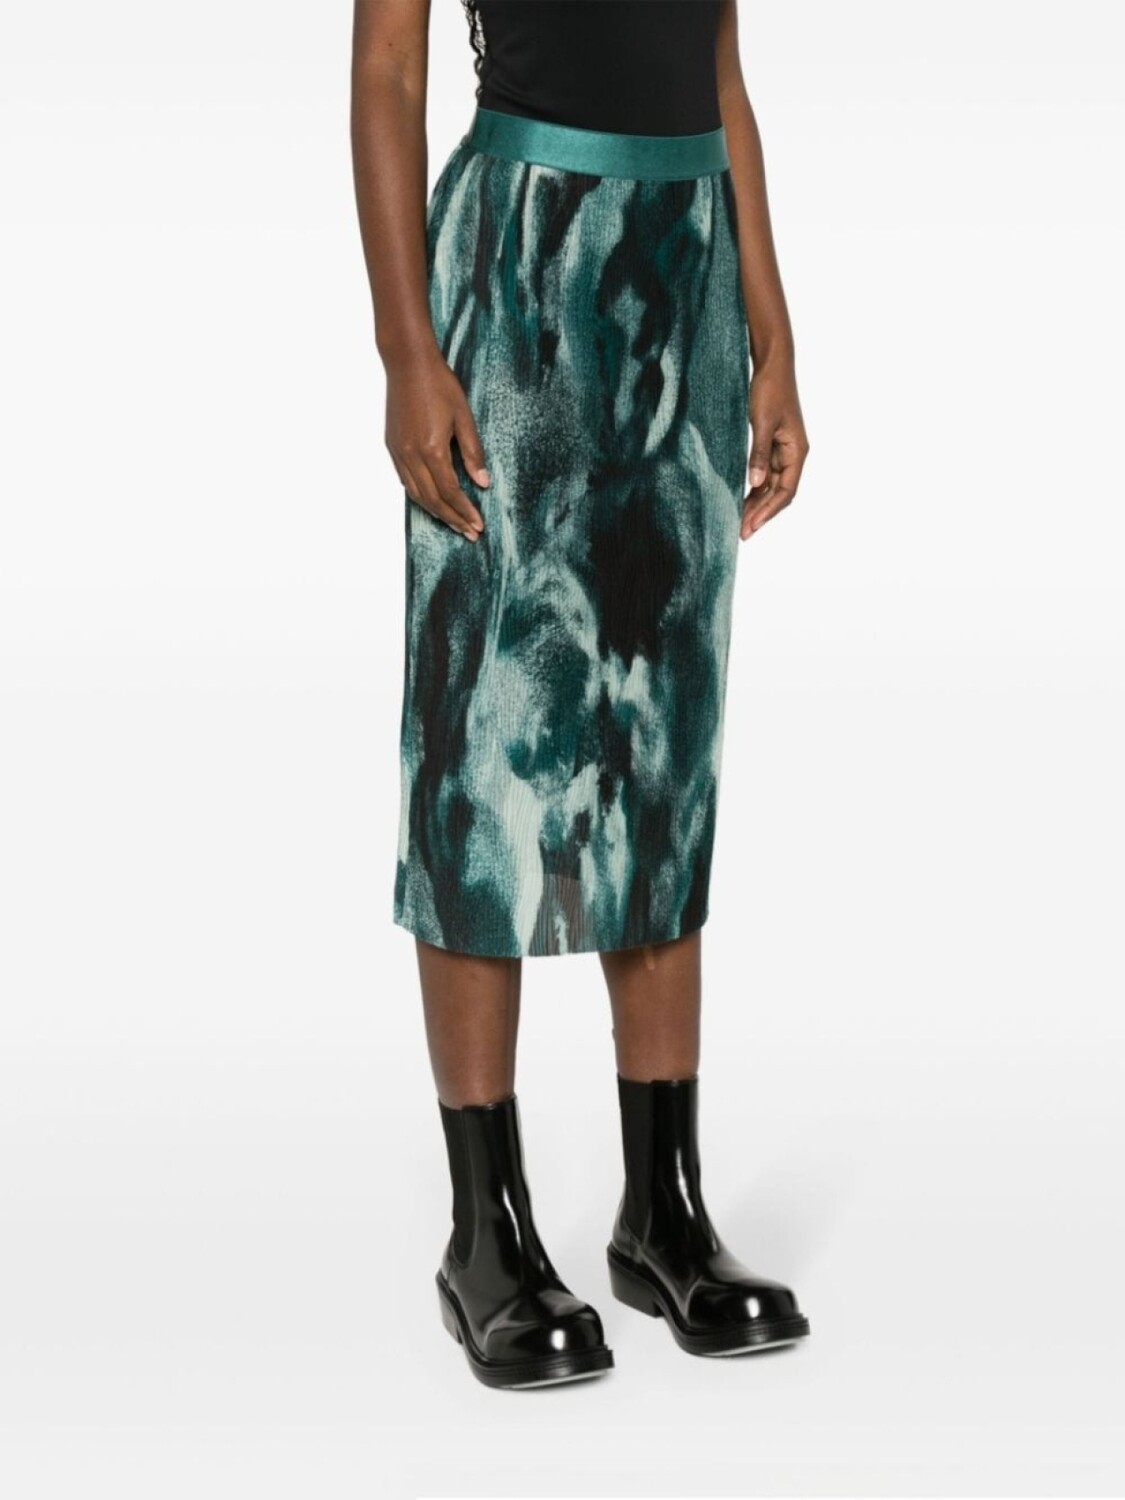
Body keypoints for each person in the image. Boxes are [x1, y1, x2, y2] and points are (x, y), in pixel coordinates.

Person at [350, 0, 811, 1390]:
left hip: (688, 267)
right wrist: (405, 350)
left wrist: (773, 332)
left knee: (664, 751)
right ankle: (483, 1234)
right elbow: (387, 66)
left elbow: (720, 72)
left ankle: (661, 1208)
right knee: (485, 754)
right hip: (517, 264)